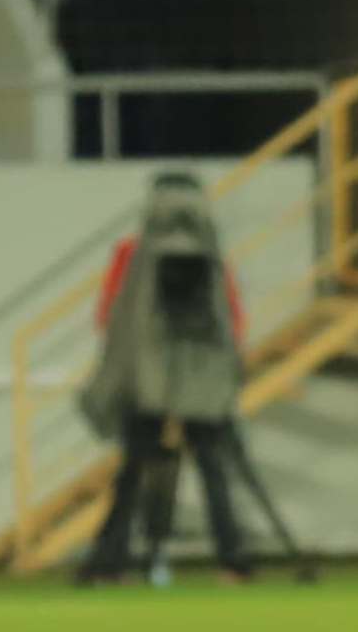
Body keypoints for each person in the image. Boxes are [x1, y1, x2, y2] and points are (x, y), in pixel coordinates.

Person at [76, 173, 251, 586]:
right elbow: (231, 320)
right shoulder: (210, 256)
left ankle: (108, 565)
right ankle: (234, 562)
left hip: (145, 383)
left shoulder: (132, 256)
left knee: (134, 473)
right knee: (212, 470)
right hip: (201, 382)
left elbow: (111, 317)